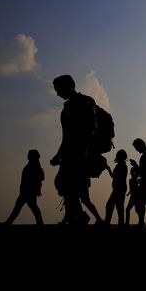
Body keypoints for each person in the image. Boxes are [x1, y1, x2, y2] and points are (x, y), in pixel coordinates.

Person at [50, 74, 96, 226]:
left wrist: (84, 152)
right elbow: (66, 136)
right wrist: (58, 155)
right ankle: (78, 216)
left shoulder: (86, 101)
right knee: (63, 185)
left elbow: (92, 128)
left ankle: (78, 217)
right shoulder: (65, 109)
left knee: (69, 186)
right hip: (69, 153)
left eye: (58, 89)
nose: (57, 93)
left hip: (81, 153)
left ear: (69, 85)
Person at [1, 150, 44, 225]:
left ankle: (8, 222)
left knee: (20, 207)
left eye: (29, 155)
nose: (27, 156)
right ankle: (40, 222)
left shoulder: (34, 166)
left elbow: (38, 178)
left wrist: (35, 189)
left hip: (28, 192)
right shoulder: (33, 165)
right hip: (27, 191)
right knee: (30, 207)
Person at [104, 149, 128, 227]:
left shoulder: (121, 166)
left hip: (118, 189)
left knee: (111, 206)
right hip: (120, 188)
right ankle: (119, 224)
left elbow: (114, 177)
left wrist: (109, 169)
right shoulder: (122, 165)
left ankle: (108, 223)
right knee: (118, 207)